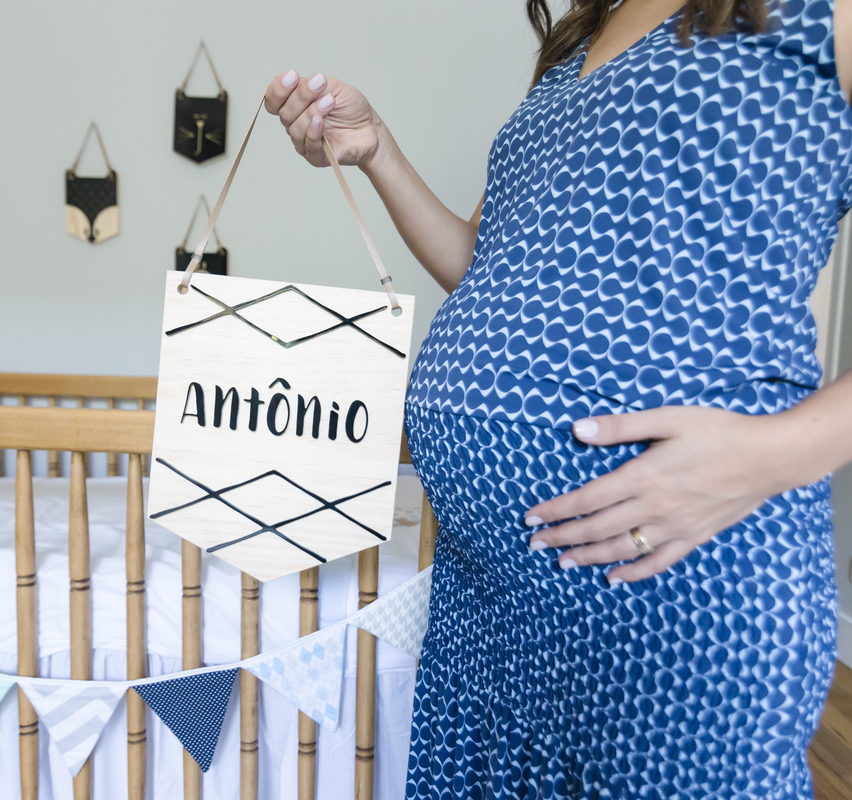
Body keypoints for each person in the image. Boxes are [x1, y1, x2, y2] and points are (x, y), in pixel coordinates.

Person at [266, 0, 852, 796]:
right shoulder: (581, 38)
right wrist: (377, 152)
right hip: (491, 611)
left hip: (669, 587)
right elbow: (489, 265)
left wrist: (764, 456)